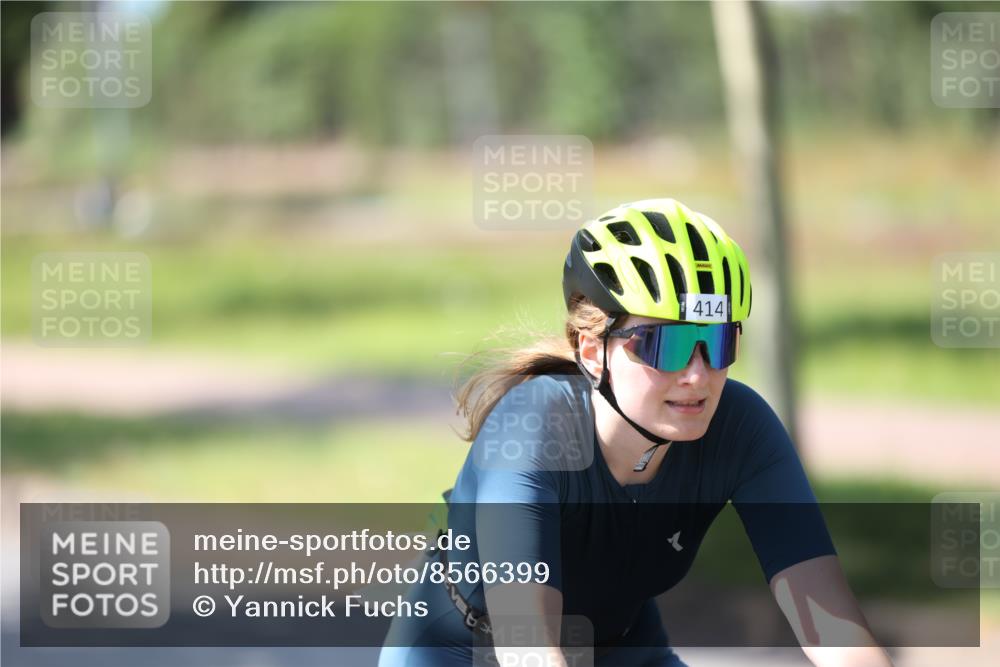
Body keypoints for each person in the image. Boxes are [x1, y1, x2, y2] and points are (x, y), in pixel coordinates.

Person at [378, 198, 893, 667]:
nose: (697, 375)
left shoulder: (742, 427)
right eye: (663, 345)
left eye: (716, 342)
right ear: (589, 350)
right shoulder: (531, 428)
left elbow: (839, 639)